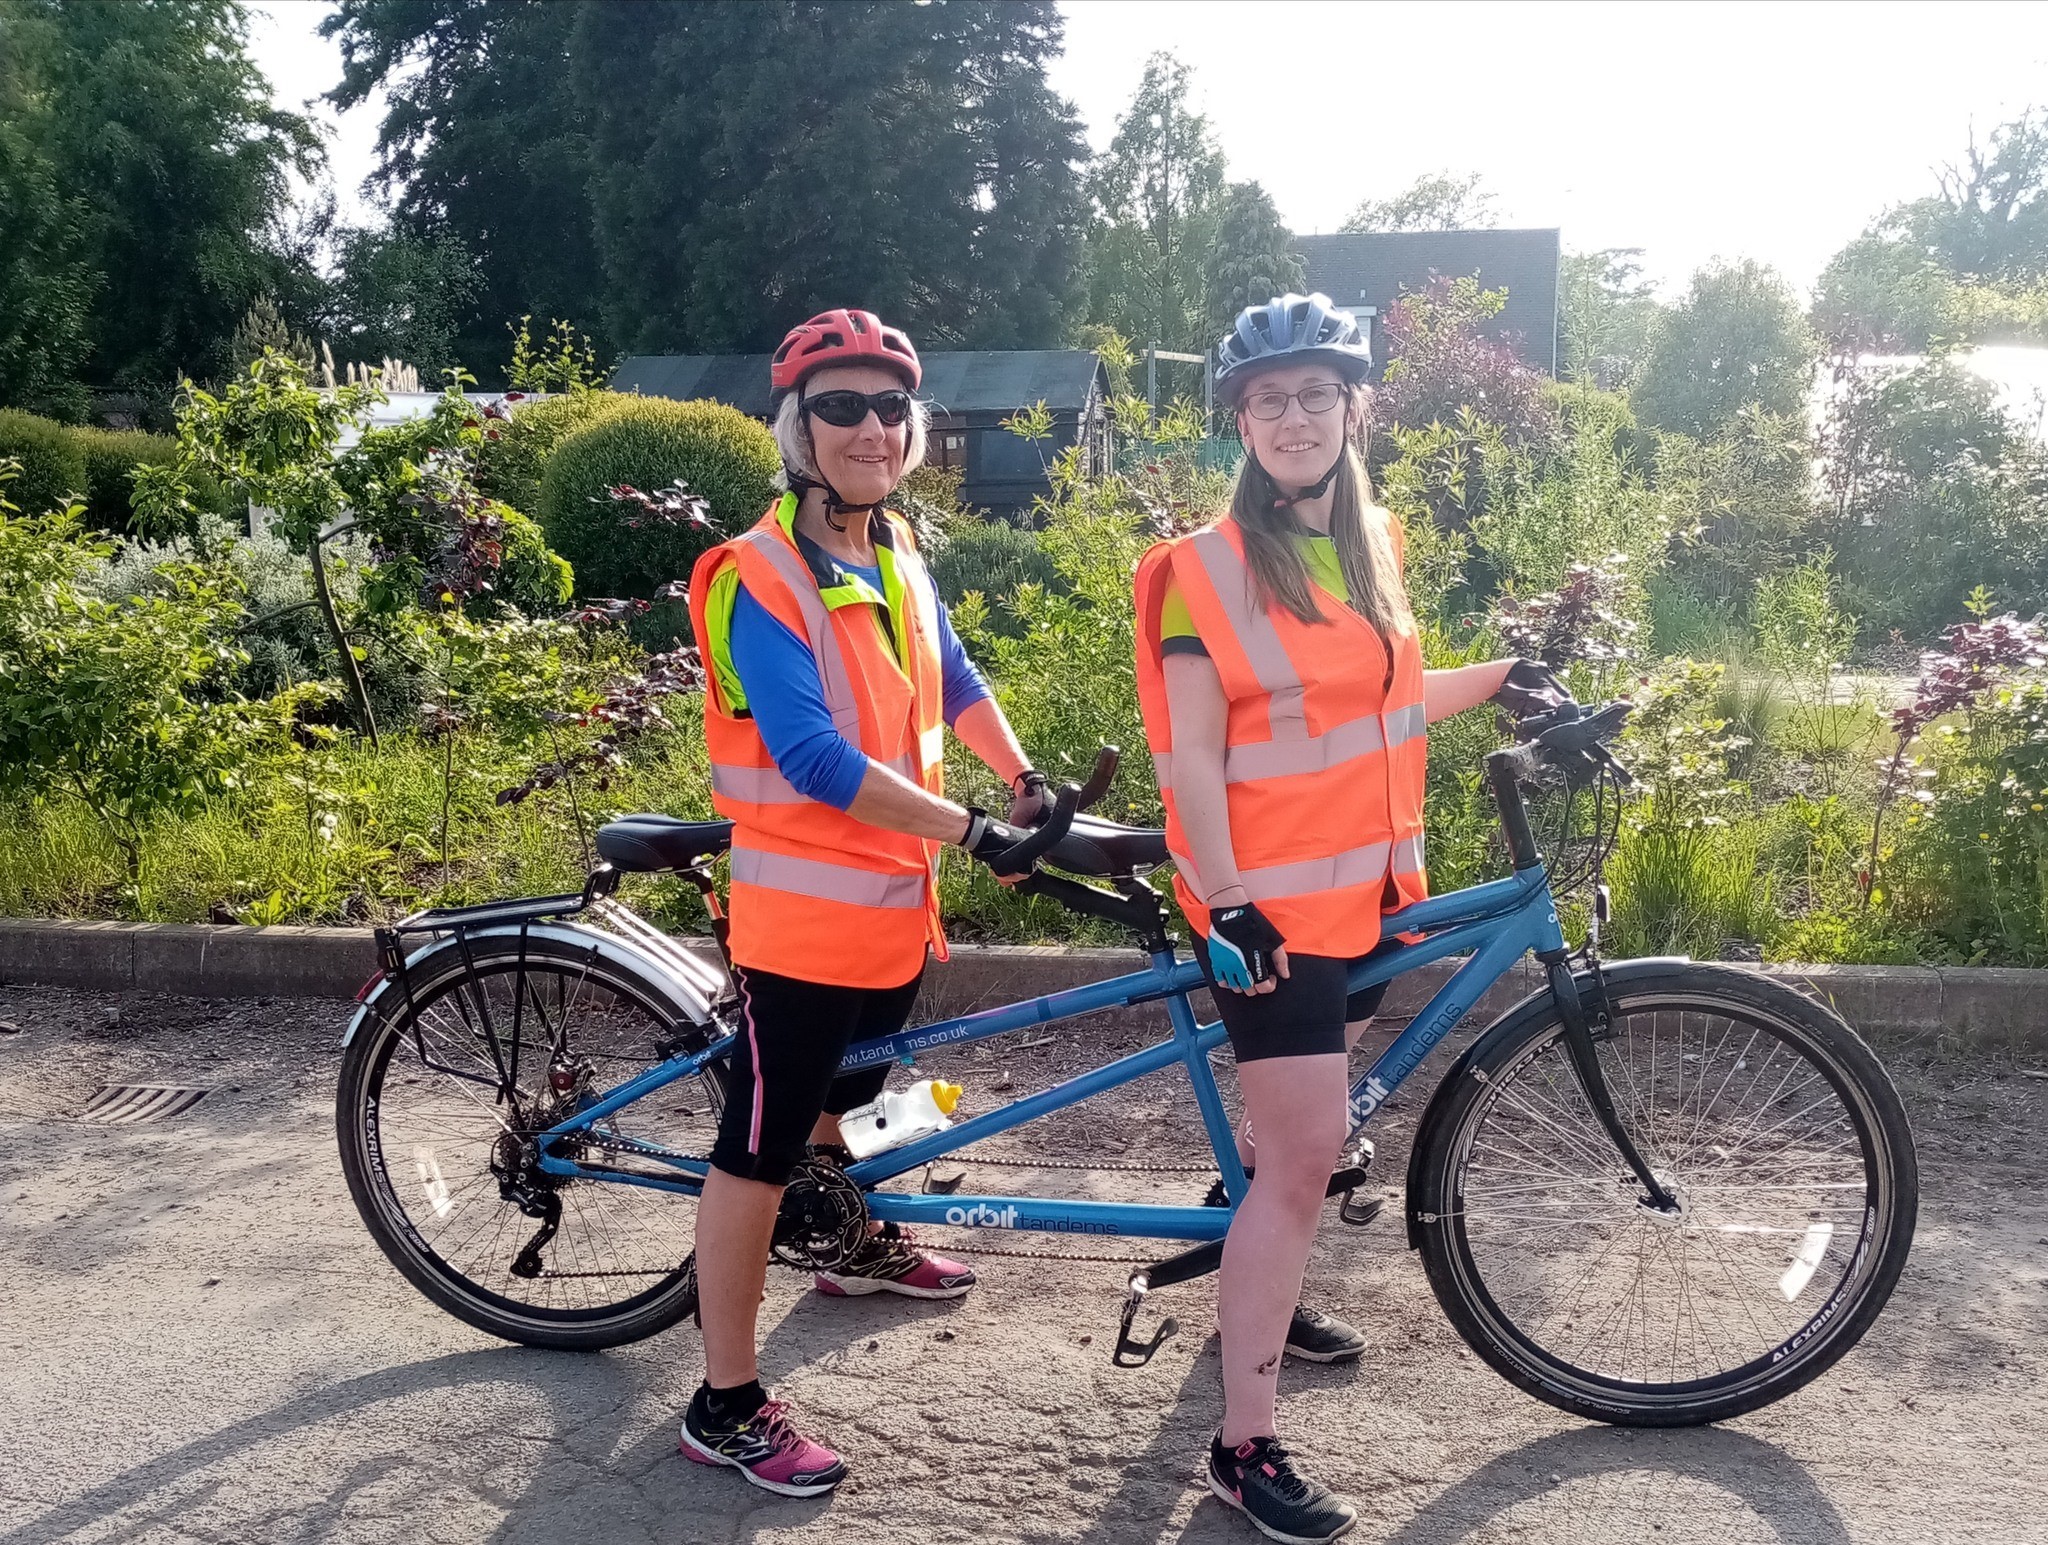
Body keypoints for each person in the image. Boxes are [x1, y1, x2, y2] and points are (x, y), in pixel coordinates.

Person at [1132, 293, 1566, 1543]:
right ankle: (1241, 1443)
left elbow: (1375, 700)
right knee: (1308, 1152)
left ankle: (1256, 1305)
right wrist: (1226, 899)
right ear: (1239, 421)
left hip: (1363, 898)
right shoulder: (1194, 570)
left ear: (1353, 407)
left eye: (1315, 394)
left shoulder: (1369, 540)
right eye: (1267, 400)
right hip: (1264, 914)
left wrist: (1508, 679)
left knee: (1292, 1154)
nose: (1292, 416)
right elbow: (1196, 760)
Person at [680, 308, 1045, 1496]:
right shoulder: (760, 576)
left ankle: (843, 1238)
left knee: (851, 1094)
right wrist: (977, 831)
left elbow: (955, 675)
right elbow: (814, 758)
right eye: (839, 407)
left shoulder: (894, 557)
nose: (870, 428)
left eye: (889, 407)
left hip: (892, 912)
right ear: (796, 430)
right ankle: (723, 1401)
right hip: (798, 930)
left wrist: (1020, 775)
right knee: (756, 1151)